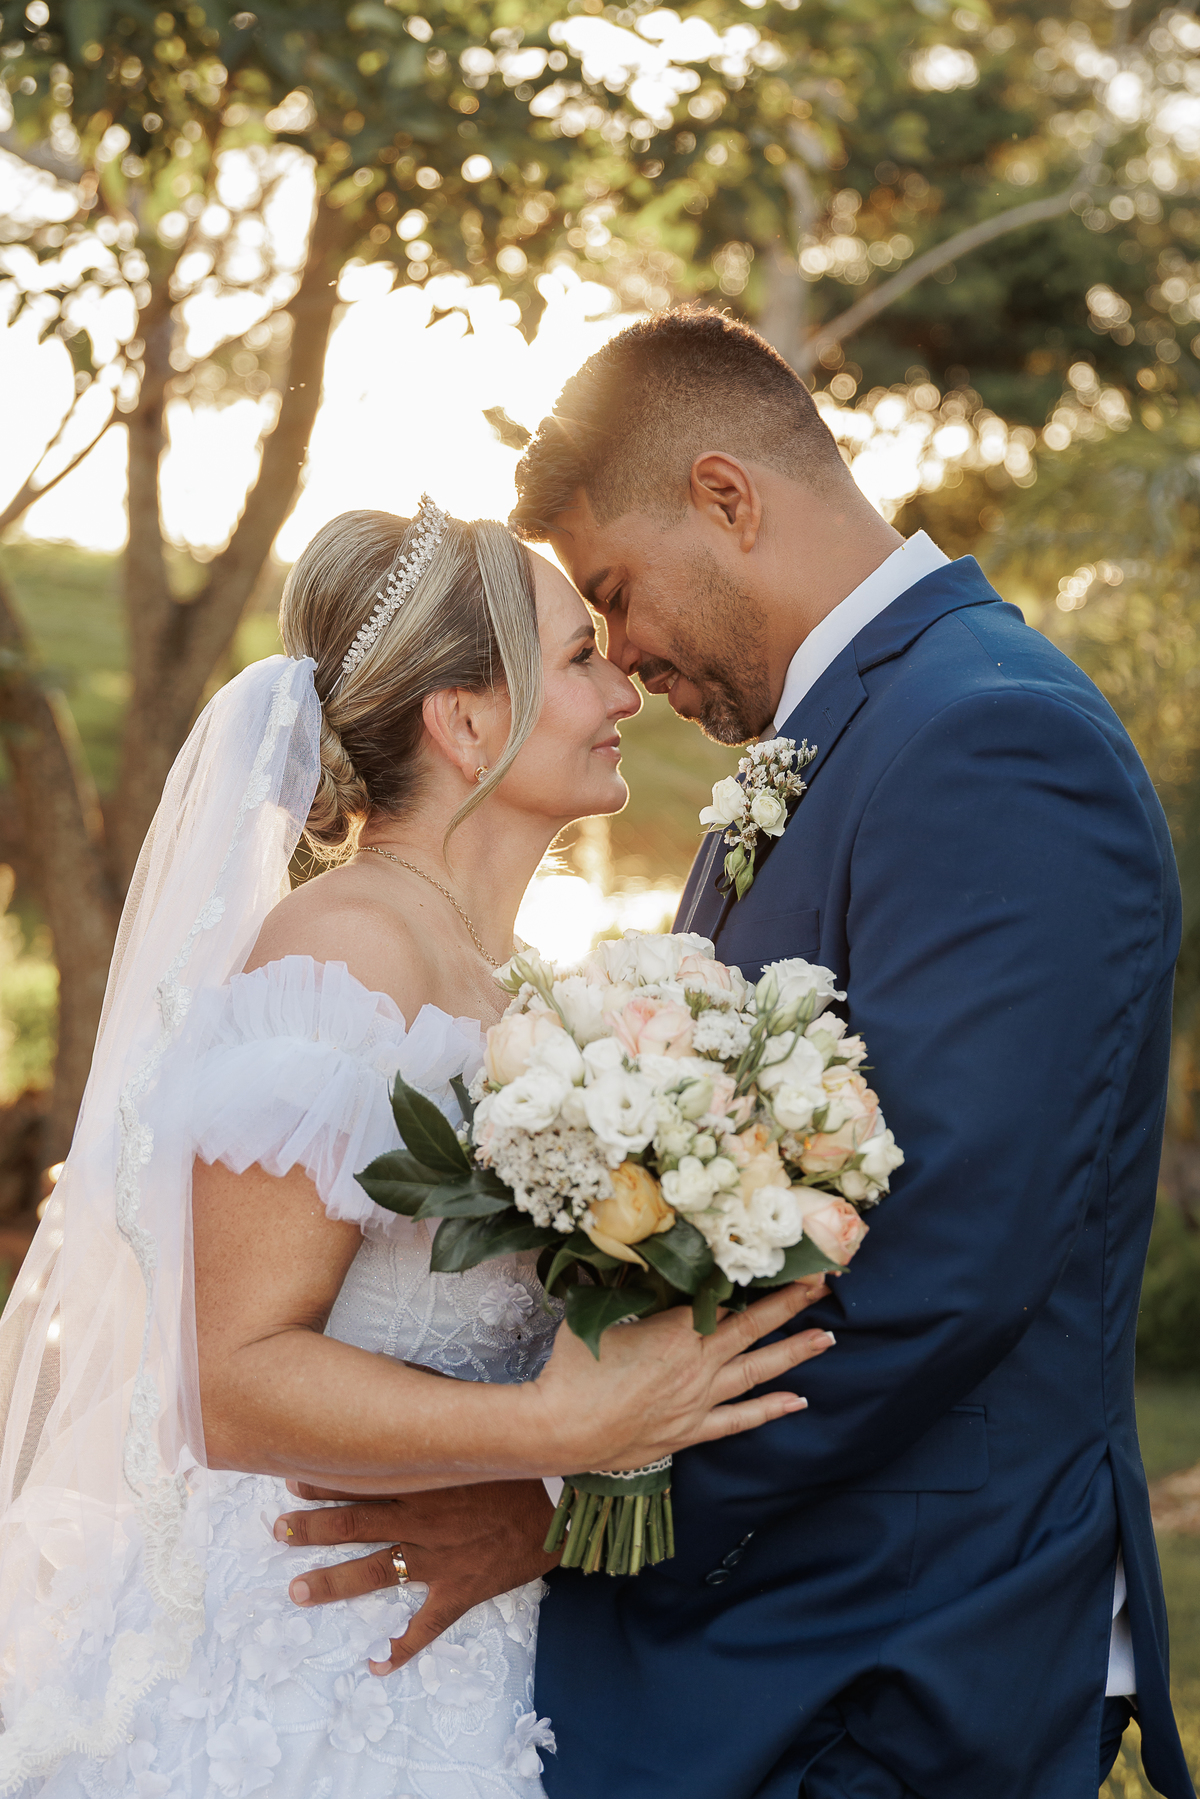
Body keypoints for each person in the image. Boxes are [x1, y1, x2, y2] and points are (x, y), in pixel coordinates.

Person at [282, 310, 1194, 1798]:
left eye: (620, 592)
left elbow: (942, 1262)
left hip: (888, 1660)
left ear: (728, 496)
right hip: (776, 1645)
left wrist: (570, 1509)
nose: (623, 657)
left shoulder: (992, 741)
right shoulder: (839, 737)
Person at [0, 501, 835, 1798]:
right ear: (466, 720)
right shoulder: (343, 954)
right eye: (576, 658)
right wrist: (557, 1422)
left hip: (474, 1647)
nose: (624, 686)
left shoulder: (515, 988)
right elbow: (229, 1385)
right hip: (316, 1672)